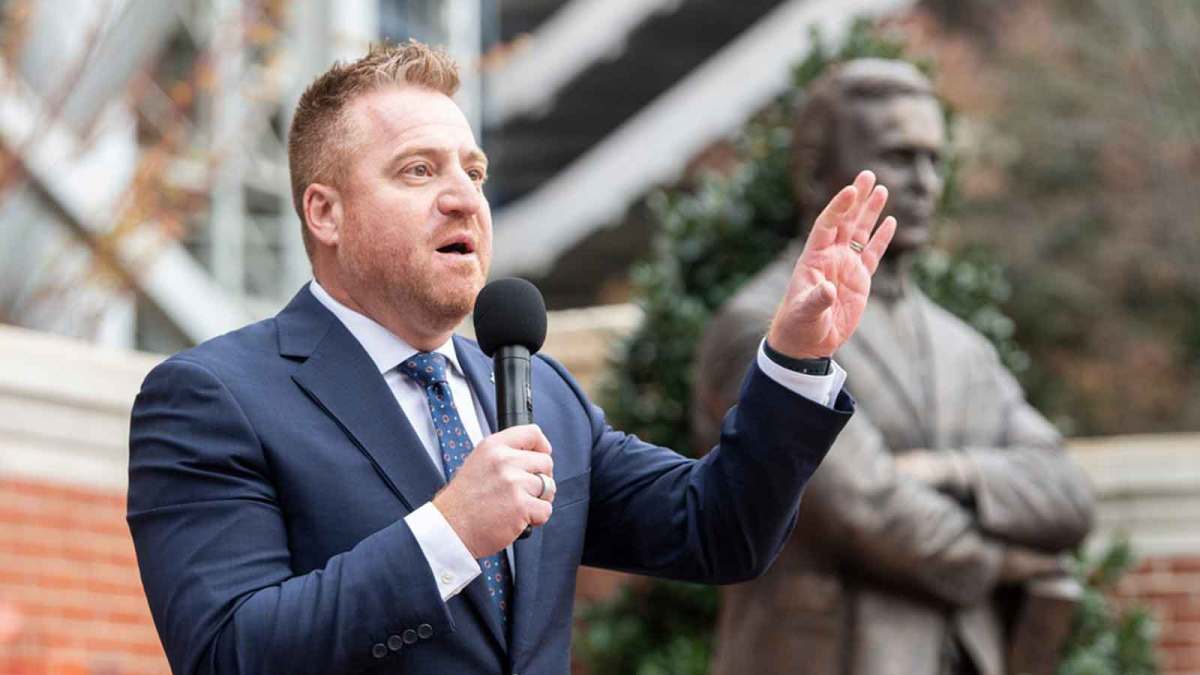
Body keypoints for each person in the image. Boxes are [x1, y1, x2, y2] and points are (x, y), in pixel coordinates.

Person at [126, 42, 898, 675]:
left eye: (474, 170)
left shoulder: (538, 392)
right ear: (324, 211)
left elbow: (719, 529)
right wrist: (449, 531)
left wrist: (795, 356)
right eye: (419, 170)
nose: (464, 196)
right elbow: (228, 651)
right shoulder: (212, 398)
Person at [694, 58, 1094, 675]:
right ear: (812, 175)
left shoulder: (964, 347)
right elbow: (865, 511)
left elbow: (1066, 493)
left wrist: (947, 470)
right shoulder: (763, 327)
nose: (926, 181)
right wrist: (1006, 562)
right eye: (900, 157)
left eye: (936, 160)